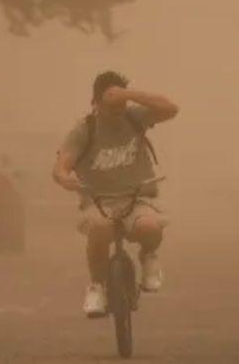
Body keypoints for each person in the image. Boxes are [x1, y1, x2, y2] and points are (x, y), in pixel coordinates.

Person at [53, 71, 179, 317]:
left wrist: (129, 94)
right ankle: (97, 286)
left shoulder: (134, 117)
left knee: (149, 227)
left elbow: (171, 109)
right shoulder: (85, 129)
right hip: (98, 201)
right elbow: (60, 168)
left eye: (121, 105)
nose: (117, 111)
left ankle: (148, 256)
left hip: (138, 197)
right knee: (100, 229)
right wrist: (67, 179)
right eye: (111, 106)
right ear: (96, 102)